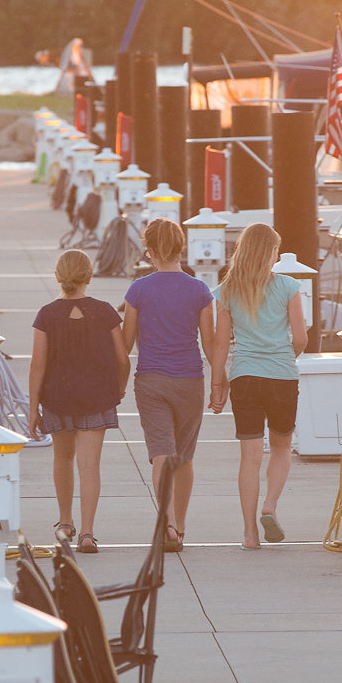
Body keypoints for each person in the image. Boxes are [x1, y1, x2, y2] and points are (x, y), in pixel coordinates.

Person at [208, 223, 306, 549]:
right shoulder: (289, 286)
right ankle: (270, 506)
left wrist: (217, 383)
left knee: (249, 457)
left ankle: (249, 534)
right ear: (270, 253)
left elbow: (220, 344)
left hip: (244, 376)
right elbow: (302, 338)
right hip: (281, 376)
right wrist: (284, 356)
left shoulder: (225, 291)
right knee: (280, 448)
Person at [121, 218, 216, 553]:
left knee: (162, 452)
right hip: (190, 379)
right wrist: (219, 381)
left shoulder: (138, 290)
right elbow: (210, 342)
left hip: (151, 380)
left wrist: (118, 383)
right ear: (182, 246)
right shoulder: (200, 290)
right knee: (184, 457)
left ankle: (167, 521)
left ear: (148, 251)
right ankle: (181, 525)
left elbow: (126, 343)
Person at [28, 249, 129, 554]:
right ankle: (87, 532)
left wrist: (33, 407)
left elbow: (38, 365)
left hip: (58, 398)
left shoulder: (46, 314)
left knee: (62, 458)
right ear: (89, 276)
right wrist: (119, 389)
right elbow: (122, 358)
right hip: (96, 397)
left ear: (58, 277)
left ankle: (64, 522)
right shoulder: (106, 311)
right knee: (90, 465)